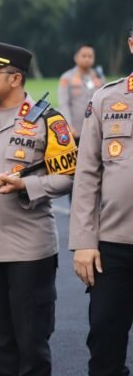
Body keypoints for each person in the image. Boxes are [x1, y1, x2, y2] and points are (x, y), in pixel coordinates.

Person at [0, 42, 77, 376]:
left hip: (29, 250)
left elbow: (68, 175)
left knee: (31, 344)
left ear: (16, 78)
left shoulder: (48, 121)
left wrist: (28, 185)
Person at [70, 29, 133, 376]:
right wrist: (83, 241)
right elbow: (87, 174)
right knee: (105, 345)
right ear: (131, 45)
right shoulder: (107, 99)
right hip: (113, 246)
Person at [58, 43, 104, 141]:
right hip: (76, 131)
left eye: (90, 56)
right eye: (84, 56)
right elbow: (64, 104)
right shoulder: (66, 78)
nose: (87, 59)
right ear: (76, 57)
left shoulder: (99, 78)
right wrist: (69, 125)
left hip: (96, 130)